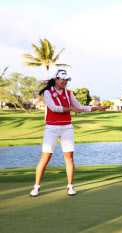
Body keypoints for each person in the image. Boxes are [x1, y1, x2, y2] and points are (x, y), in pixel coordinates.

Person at [30, 69, 110, 197]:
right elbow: (54, 108)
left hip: (67, 127)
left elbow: (80, 107)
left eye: (67, 80)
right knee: (45, 158)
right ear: (56, 79)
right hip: (51, 128)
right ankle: (36, 187)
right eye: (63, 79)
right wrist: (71, 109)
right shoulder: (48, 92)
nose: (65, 82)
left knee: (69, 158)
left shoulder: (68, 93)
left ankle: (70, 186)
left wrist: (97, 108)